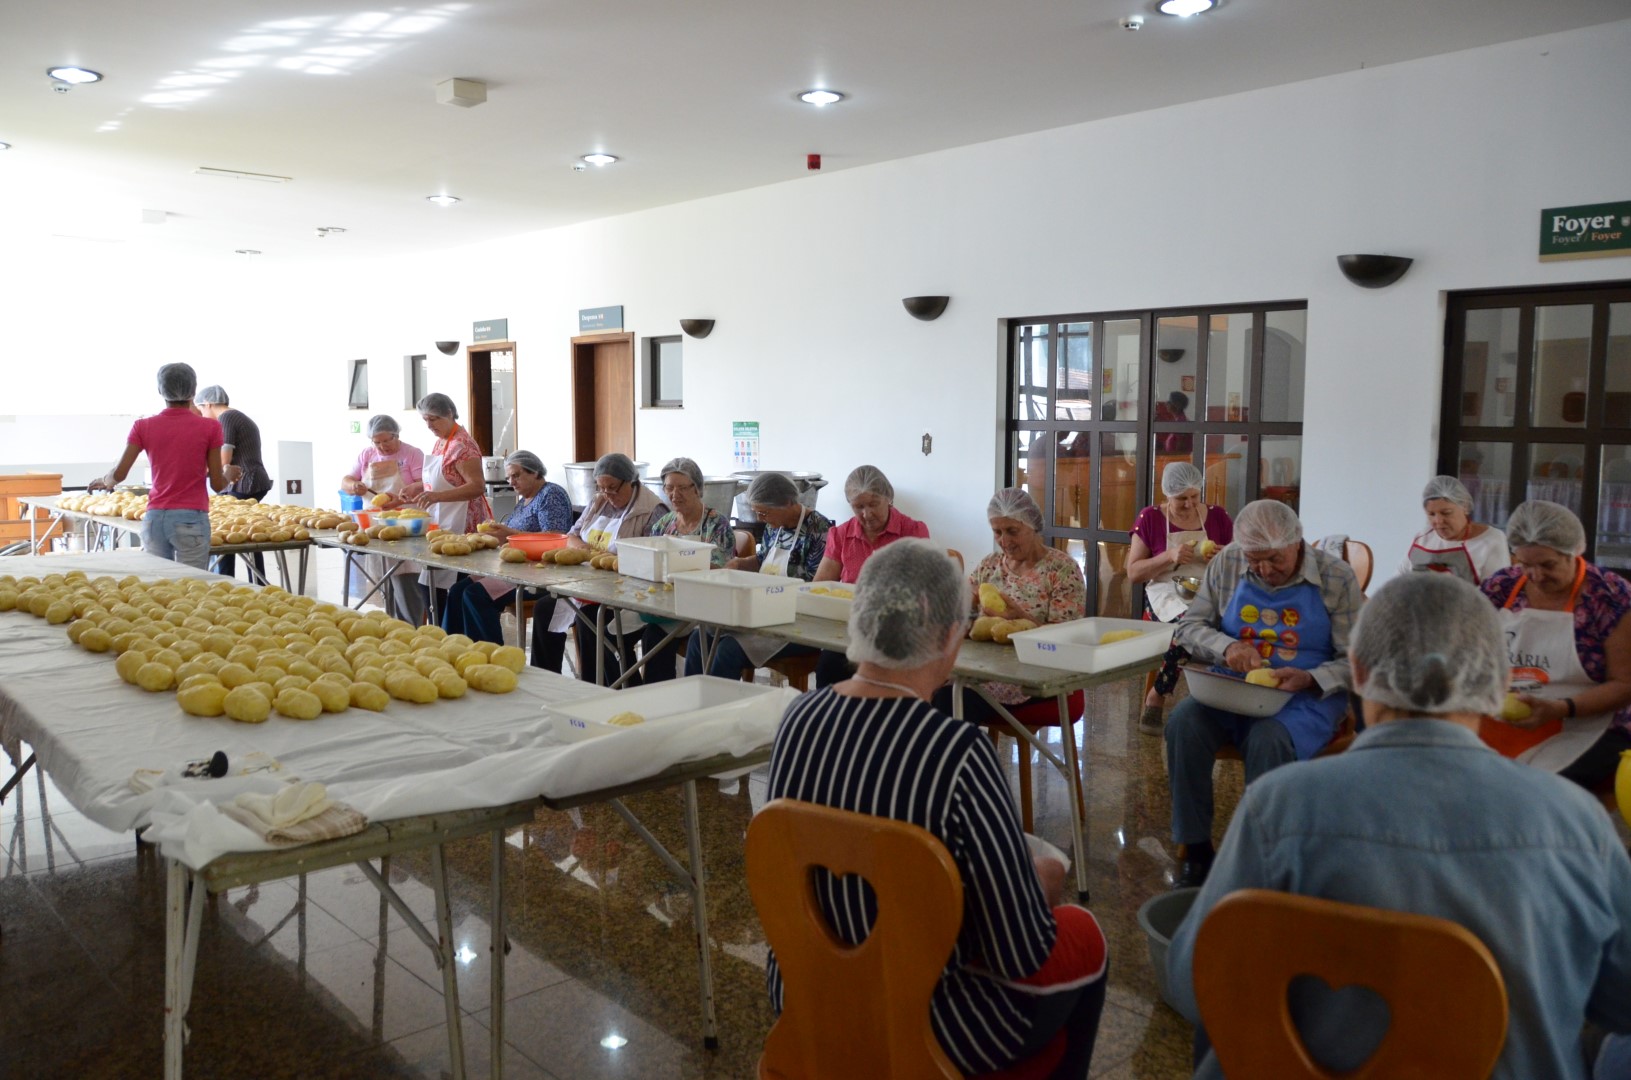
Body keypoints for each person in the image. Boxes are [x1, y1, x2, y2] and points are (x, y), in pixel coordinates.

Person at [1166, 573, 1631, 1080]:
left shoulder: (1277, 807)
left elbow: (1194, 981)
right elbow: (1621, 1002)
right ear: (1498, 684)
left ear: (1359, 673)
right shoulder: (1577, 823)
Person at [766, 539, 1109, 1077]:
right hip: (926, 1019)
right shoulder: (956, 751)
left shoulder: (798, 719)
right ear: (953, 638)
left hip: (805, 993)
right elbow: (1018, 950)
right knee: (1082, 934)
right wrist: (1038, 878)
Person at [1165, 499, 1362, 888]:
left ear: (1297, 543)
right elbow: (1189, 627)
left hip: (1305, 693)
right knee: (1183, 723)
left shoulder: (1336, 577)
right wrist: (1227, 648)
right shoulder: (1228, 563)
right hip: (1233, 686)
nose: (1264, 570)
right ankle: (1197, 850)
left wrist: (1309, 679)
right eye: (1255, 561)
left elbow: (1356, 661)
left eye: (1274, 559)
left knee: (1268, 739)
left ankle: (1261, 858)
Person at [1477, 500, 1631, 787]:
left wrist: (1560, 709)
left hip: (1587, 723)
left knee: (1533, 786)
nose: (1536, 576)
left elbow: (1624, 685)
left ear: (1574, 551)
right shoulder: (1501, 588)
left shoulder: (1609, 596)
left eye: (1548, 564)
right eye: (1525, 565)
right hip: (1506, 715)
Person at [930, 488, 1085, 723]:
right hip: (984, 669)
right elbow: (960, 619)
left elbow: (1066, 640)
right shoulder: (990, 565)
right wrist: (965, 606)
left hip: (1034, 673)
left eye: (1012, 531)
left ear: (1032, 524)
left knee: (948, 700)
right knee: (920, 690)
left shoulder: (1062, 570)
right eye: (997, 532)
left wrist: (1020, 617)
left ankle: (960, 758)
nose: (1005, 541)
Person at [684, 471, 831, 680]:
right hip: (761, 612)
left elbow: (817, 587)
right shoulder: (774, 526)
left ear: (788, 503)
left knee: (728, 649)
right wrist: (739, 564)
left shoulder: (820, 529)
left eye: (765, 513)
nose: (761, 519)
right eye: (758, 513)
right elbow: (763, 559)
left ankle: (719, 706)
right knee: (699, 638)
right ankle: (693, 697)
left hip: (797, 621)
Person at [89, 363, 232, 570]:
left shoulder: (143, 426)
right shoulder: (210, 427)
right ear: (193, 391)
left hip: (155, 519)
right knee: (194, 587)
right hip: (191, 519)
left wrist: (104, 480)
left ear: (160, 390)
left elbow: (119, 474)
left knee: (159, 587)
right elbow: (218, 484)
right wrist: (228, 473)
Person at [1126, 462, 1233, 735]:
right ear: (1166, 495)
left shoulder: (1218, 517)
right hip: (1165, 591)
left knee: (1233, 624)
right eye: (1180, 499)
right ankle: (1157, 695)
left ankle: (1223, 701)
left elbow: (1239, 562)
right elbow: (1134, 572)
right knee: (1187, 627)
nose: (1188, 504)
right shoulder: (1149, 518)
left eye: (1194, 497)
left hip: (1206, 588)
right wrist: (1168, 557)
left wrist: (1223, 558)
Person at [442, 451, 574, 661]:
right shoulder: (524, 501)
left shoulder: (551, 494)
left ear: (535, 472)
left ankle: (493, 657)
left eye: (516, 475)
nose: (511, 482)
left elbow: (555, 538)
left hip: (538, 572)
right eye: (508, 477)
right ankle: (455, 651)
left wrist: (510, 535)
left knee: (475, 595)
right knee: (458, 590)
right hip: (515, 567)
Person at [550, 452, 665, 683]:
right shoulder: (598, 502)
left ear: (631, 481)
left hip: (629, 592)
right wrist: (588, 551)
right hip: (590, 584)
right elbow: (571, 536)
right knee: (546, 609)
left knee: (591, 620)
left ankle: (610, 688)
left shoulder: (653, 510)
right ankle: (549, 681)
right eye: (602, 488)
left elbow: (651, 558)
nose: (607, 495)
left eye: (612, 488)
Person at [812, 465, 931, 686]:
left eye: (873, 504)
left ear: (889, 498)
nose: (867, 514)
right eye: (858, 507)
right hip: (849, 628)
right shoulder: (841, 535)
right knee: (829, 668)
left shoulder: (913, 531)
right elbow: (821, 584)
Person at [635, 457, 731, 682]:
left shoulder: (717, 524)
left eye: (682, 488)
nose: (674, 494)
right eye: (668, 488)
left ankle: (661, 698)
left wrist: (678, 565)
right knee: (609, 625)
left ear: (697, 489)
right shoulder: (664, 524)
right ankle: (626, 688)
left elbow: (719, 567)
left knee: (654, 634)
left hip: (702, 602)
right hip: (662, 601)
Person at [406, 392, 491, 618]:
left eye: (433, 419)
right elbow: (444, 478)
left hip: (463, 526)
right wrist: (418, 487)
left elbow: (477, 487)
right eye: (425, 420)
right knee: (431, 586)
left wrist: (437, 496)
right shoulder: (442, 442)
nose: (429, 425)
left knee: (447, 589)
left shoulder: (464, 446)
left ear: (449, 414)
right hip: (442, 523)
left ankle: (452, 637)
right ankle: (442, 634)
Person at [340, 414, 426, 624]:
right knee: (384, 585)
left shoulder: (413, 454)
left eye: (387, 441)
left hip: (406, 528)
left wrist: (399, 500)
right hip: (376, 527)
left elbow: (424, 485)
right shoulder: (367, 455)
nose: (382, 447)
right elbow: (346, 480)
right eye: (377, 442)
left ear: (397, 435)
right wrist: (353, 486)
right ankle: (391, 628)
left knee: (407, 584)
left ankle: (410, 629)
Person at [195, 384, 270, 581]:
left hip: (245, 482)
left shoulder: (227, 418)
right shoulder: (237, 416)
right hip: (248, 481)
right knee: (246, 531)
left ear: (209, 404)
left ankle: (227, 580)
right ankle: (257, 581)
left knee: (228, 531)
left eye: (201, 408)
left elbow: (223, 460)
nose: (201, 414)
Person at [1397, 474, 1509, 584]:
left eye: (1446, 513)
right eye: (1431, 514)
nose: (1438, 521)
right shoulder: (1422, 538)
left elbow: (1496, 594)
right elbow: (1398, 581)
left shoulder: (1491, 539)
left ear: (1464, 507)